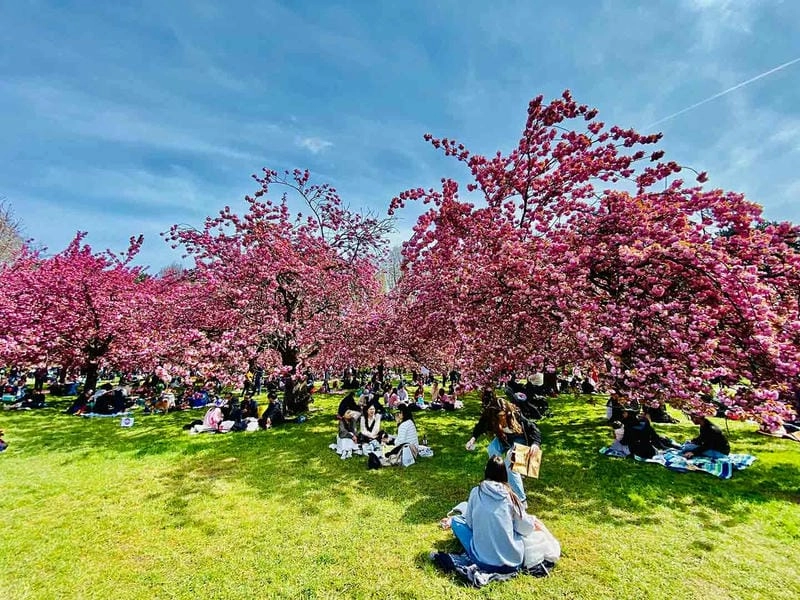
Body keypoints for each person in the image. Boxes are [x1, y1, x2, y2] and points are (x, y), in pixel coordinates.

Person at [449, 456, 536, 572]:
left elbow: (469, 524)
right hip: (514, 562)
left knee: (456, 521)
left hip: (483, 561)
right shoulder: (511, 497)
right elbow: (526, 528)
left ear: (486, 471)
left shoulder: (476, 492)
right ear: (504, 474)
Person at [465, 388, 540, 507]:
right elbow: (480, 426)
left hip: (519, 439)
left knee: (511, 466)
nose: (503, 418)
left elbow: (533, 429)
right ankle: (498, 483)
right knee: (492, 450)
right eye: (500, 416)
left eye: (504, 415)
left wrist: (535, 444)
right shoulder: (490, 416)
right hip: (503, 438)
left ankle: (521, 500)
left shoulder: (515, 414)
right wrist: (473, 439)